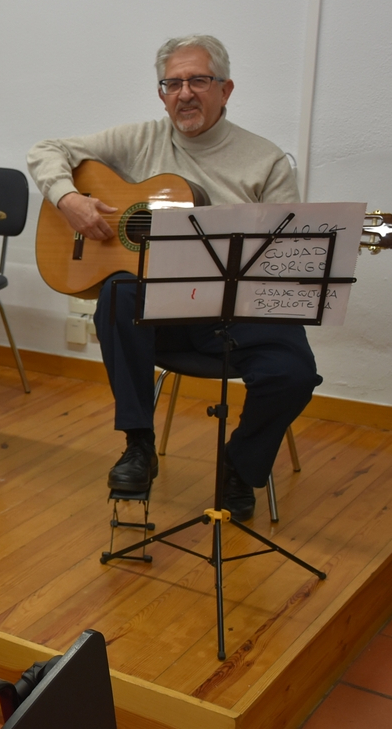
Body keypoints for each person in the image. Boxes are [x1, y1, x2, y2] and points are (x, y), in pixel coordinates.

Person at [26, 35, 321, 520]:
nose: (185, 93)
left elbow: (284, 261)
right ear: (162, 94)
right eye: (173, 83)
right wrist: (69, 199)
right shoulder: (140, 139)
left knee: (295, 375)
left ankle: (240, 465)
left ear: (225, 90)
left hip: (235, 312)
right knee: (120, 292)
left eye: (199, 80)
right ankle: (139, 445)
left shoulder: (266, 161)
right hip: (165, 315)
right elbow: (46, 150)